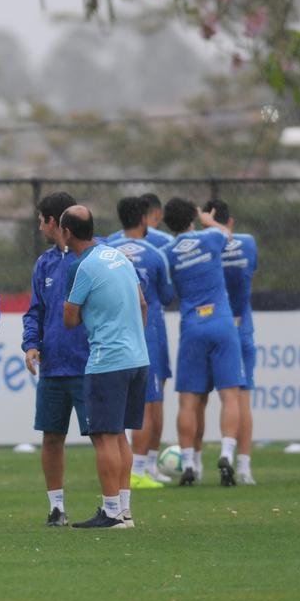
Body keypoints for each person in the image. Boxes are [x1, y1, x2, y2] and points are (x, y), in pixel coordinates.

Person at [61, 205, 149, 529]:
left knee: (103, 437)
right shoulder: (119, 256)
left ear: (66, 233)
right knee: (119, 434)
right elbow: (143, 303)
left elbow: (69, 319)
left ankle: (111, 512)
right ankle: (124, 511)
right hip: (138, 357)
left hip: (107, 361)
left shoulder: (81, 266)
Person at [160, 198, 245, 487]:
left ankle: (188, 464)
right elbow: (228, 235)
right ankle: (226, 454)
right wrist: (209, 221)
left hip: (192, 325)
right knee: (230, 395)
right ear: (192, 218)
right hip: (221, 321)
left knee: (189, 400)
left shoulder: (168, 252)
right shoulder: (210, 237)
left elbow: (166, 290)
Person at [22, 191, 91, 526]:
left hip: (90, 363)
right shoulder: (44, 263)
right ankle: (56, 507)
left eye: (41, 221)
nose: (39, 227)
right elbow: (35, 310)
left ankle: (117, 506)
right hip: (53, 367)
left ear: (53, 222)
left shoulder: (97, 256)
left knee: (105, 436)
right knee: (51, 437)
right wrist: (31, 344)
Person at [108, 198, 175, 487]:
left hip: (114, 331)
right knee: (149, 401)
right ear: (144, 219)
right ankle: (137, 470)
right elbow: (168, 295)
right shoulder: (155, 253)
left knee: (122, 401)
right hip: (148, 331)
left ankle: (140, 466)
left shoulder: (108, 250)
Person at [201, 199, 259, 485]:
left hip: (209, 323)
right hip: (241, 327)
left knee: (195, 397)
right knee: (241, 398)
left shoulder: (204, 247)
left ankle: (193, 463)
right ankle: (244, 466)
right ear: (230, 221)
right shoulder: (248, 243)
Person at [106, 192, 175, 249]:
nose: (162, 217)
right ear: (157, 213)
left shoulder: (110, 240)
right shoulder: (166, 240)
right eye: (162, 214)